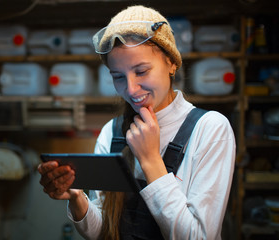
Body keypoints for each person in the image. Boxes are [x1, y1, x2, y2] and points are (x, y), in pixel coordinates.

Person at [38, 5, 236, 240]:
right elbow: (103, 231)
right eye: (118, 77)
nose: (130, 90)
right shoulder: (111, 133)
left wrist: (151, 160)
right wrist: (77, 198)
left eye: (141, 71)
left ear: (172, 63)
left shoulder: (210, 129)